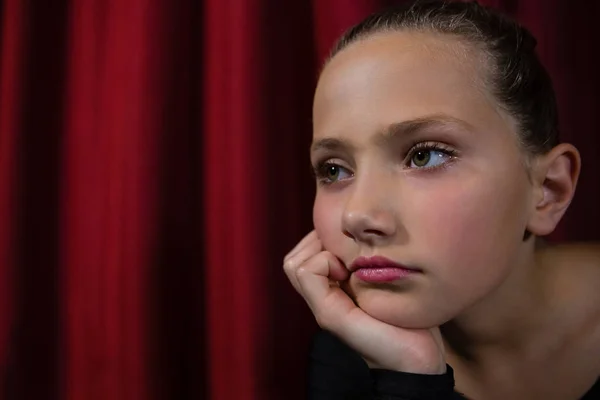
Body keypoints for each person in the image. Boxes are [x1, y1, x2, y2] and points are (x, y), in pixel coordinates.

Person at [282, 1, 600, 399]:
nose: (357, 215)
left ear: (548, 190)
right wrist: (408, 375)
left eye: (424, 155)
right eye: (334, 170)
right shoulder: (351, 353)